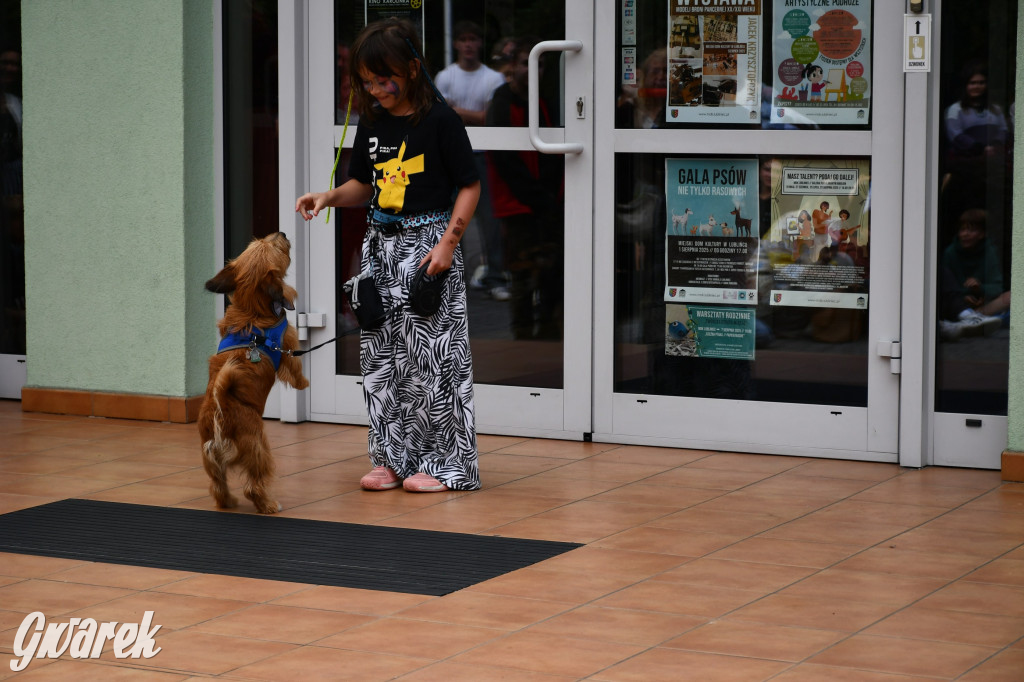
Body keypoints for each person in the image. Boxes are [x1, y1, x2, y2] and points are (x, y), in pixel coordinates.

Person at [295, 18, 482, 493]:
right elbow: (364, 183)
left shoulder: (441, 121)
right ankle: (391, 458)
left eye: (384, 79)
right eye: (367, 82)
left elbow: (469, 185)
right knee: (381, 357)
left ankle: (447, 465)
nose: (376, 90)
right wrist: (328, 196)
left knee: (434, 358)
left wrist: (448, 244)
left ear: (413, 69)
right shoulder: (374, 121)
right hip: (380, 248)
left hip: (429, 248)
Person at [485, 37, 564, 340]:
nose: (533, 70)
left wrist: (548, 195)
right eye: (525, 63)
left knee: (550, 270)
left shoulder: (544, 101)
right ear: (512, 66)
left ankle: (547, 332)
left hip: (544, 199)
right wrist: (536, 195)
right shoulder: (502, 101)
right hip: (517, 201)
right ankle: (522, 336)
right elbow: (504, 158)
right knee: (522, 273)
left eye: (540, 64)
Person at [433, 21, 507, 299]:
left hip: (485, 154)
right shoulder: (445, 77)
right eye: (463, 39)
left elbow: (491, 118)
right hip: (451, 156)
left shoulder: (493, 78)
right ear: (456, 44)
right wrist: (470, 115)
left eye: (473, 38)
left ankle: (496, 277)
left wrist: (458, 111)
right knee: (452, 219)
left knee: (490, 220)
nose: (468, 44)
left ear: (479, 43)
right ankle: (455, 279)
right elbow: (442, 118)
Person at [938, 208, 1009, 340]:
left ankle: (977, 320)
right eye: (962, 230)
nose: (965, 234)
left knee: (1012, 295)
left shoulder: (989, 251)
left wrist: (980, 289)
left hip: (983, 305)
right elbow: (946, 287)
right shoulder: (950, 253)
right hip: (958, 305)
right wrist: (965, 296)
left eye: (971, 230)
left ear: (982, 234)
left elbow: (997, 287)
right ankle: (979, 320)